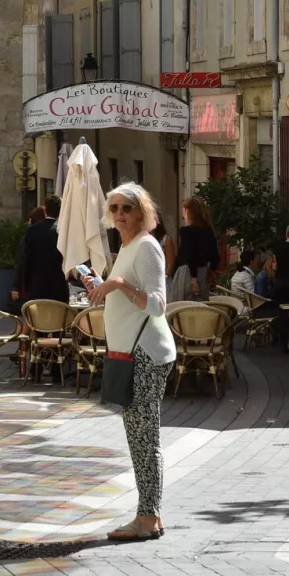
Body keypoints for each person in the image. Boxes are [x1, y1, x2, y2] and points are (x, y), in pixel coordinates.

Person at [81, 182, 175, 542]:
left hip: (146, 354)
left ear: (142, 213)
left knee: (144, 437)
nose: (119, 214)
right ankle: (149, 514)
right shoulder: (127, 247)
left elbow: (157, 305)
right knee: (138, 437)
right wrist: (104, 287)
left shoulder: (147, 247)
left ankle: (148, 518)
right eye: (114, 208)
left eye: (126, 208)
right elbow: (126, 296)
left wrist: (118, 283)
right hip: (128, 353)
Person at [12, 195, 68, 306]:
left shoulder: (32, 230)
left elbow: (25, 259)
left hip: (37, 286)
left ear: (46, 210)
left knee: (37, 321)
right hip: (59, 287)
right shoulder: (63, 232)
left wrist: (22, 286)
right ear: (60, 211)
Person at [173, 196, 220, 299]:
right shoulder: (209, 231)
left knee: (184, 306)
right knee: (201, 305)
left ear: (188, 211)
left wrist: (193, 278)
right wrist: (211, 270)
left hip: (188, 272)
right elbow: (215, 255)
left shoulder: (186, 231)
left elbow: (190, 255)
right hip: (204, 272)